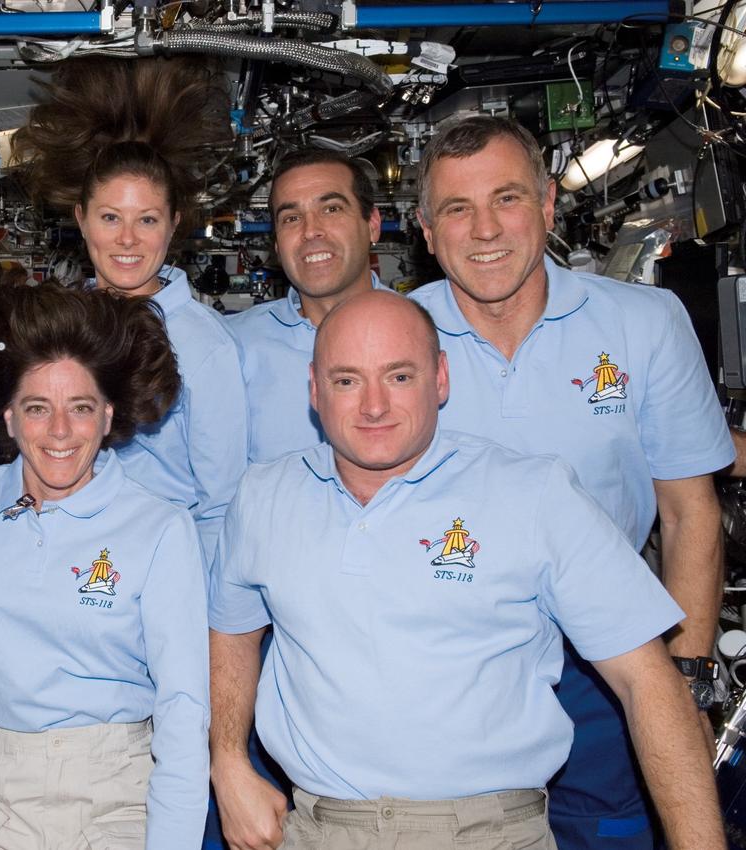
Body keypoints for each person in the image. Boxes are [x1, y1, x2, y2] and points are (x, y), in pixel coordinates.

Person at [208, 288, 727, 850]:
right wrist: (228, 760)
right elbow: (231, 632)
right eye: (347, 380)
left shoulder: (534, 494)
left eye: (399, 377)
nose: (374, 405)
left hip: (490, 832)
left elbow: (648, 681)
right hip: (316, 828)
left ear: (441, 379)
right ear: (314, 389)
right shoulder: (264, 496)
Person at [408, 116, 734, 849]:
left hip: (609, 667)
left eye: (508, 199)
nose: (484, 229)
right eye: (457, 209)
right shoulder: (393, 339)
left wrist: (685, 676)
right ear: (427, 231)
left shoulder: (644, 326)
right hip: (450, 670)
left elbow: (689, 514)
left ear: (549, 205)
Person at [0, 269, 210, 849]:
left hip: (118, 793)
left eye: (80, 408)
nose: (59, 431)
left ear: (107, 417)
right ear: (7, 418)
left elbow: (183, 707)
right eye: (36, 408)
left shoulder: (158, 528)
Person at [18, 57, 248, 564]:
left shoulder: (204, 345)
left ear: (173, 224)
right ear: (81, 220)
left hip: (159, 567)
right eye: (109, 217)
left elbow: (221, 502)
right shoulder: (58, 329)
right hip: (60, 558)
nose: (126, 240)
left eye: (146, 219)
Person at [229, 149, 387, 463]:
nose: (310, 230)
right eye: (291, 218)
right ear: (276, 245)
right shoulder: (231, 349)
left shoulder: (429, 333)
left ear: (372, 224)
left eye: (331, 209)